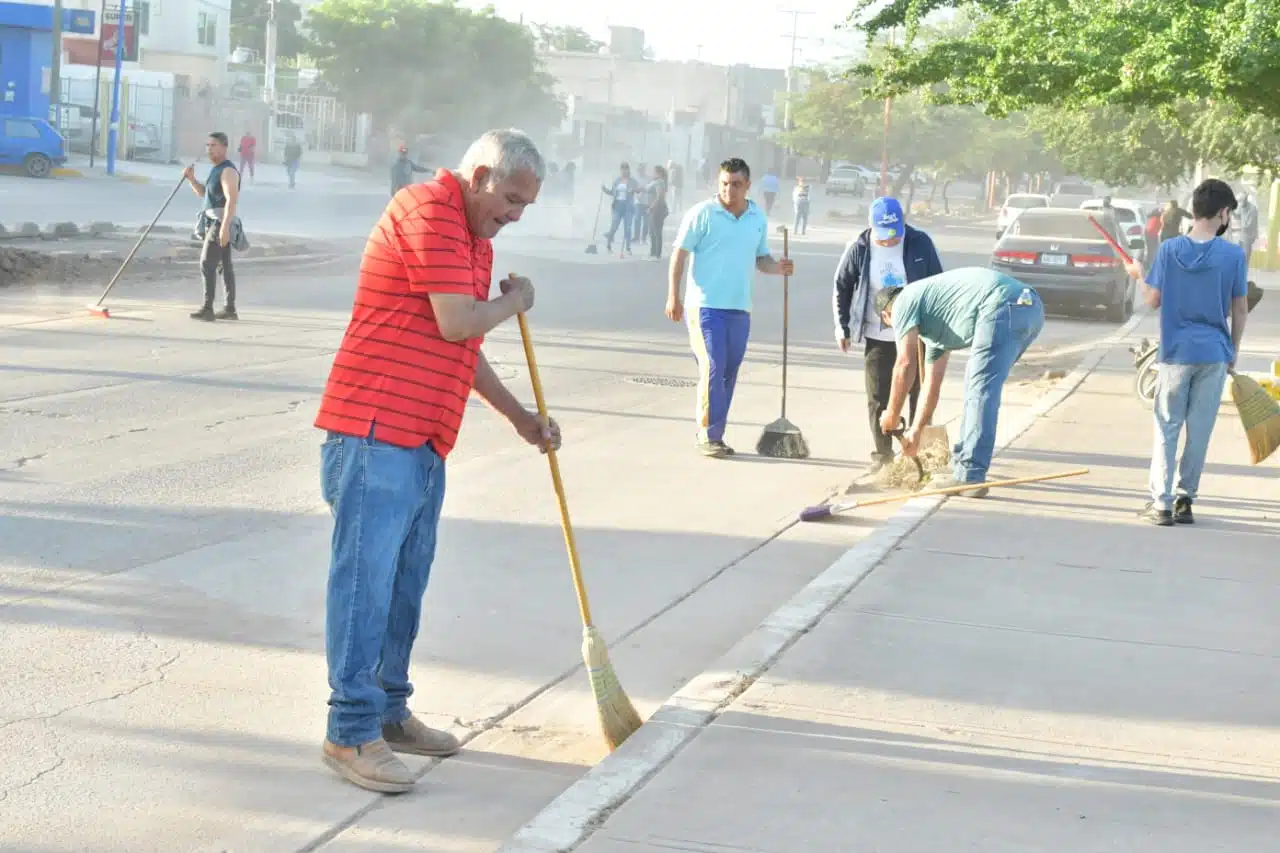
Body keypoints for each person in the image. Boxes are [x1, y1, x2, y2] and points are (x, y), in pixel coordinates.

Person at [312, 128, 561, 795]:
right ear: (480, 175)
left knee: (403, 586)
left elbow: (462, 347)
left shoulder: (474, 239)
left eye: (525, 205)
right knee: (366, 586)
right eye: (511, 198)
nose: (515, 214)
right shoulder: (429, 210)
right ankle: (349, 729)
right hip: (374, 432)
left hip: (423, 438)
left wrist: (520, 417)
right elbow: (459, 320)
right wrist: (517, 301)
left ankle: (388, 712)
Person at [1121, 178, 1249, 526]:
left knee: (1167, 427)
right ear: (1223, 212)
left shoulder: (1169, 250)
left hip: (1177, 352)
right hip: (1214, 353)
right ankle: (1185, 500)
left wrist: (1138, 275)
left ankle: (1160, 503)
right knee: (1200, 429)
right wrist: (1232, 352)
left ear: (1193, 210)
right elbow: (1239, 309)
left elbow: (1152, 300)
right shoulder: (1233, 255)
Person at [665, 157, 795, 457]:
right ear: (718, 182)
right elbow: (679, 255)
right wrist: (674, 295)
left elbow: (761, 259)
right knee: (713, 367)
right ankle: (707, 434)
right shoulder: (701, 214)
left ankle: (716, 434)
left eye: (736, 184)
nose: (729, 190)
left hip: (739, 308)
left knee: (729, 373)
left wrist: (779, 268)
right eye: (724, 183)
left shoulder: (757, 219)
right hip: (705, 307)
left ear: (748, 185)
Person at [875, 267, 1045, 493]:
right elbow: (930, 388)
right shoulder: (934, 327)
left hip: (1003, 304)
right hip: (1029, 307)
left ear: (887, 316)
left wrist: (891, 414)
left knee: (980, 388)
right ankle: (964, 468)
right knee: (981, 386)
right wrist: (916, 430)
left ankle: (970, 474)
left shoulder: (903, 301)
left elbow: (904, 364)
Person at [833, 197, 944, 472]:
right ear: (871, 227)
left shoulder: (920, 243)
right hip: (877, 333)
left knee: (919, 392)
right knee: (878, 397)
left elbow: (938, 283)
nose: (889, 242)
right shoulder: (859, 247)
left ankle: (921, 451)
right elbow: (842, 286)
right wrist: (842, 326)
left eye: (895, 235)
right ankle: (883, 455)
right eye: (883, 237)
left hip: (917, 333)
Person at [182, 132, 242, 321]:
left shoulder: (227, 171)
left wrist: (224, 228)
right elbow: (204, 195)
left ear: (224, 147)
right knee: (224, 265)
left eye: (213, 145)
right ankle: (230, 309)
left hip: (220, 222)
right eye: (207, 145)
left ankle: (208, 308)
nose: (209, 149)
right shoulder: (215, 170)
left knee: (207, 263)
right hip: (213, 221)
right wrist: (191, 179)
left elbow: (231, 199)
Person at [602, 162, 638, 255]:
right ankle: (608, 245)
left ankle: (628, 248)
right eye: (622, 169)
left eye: (626, 169)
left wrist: (633, 190)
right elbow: (612, 192)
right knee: (614, 226)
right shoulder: (617, 180)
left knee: (628, 227)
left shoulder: (632, 181)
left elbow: (638, 190)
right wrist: (605, 190)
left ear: (628, 170)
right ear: (620, 170)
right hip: (617, 205)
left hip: (628, 206)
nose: (624, 171)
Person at [647, 165, 670, 260]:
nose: (653, 174)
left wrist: (651, 208)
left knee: (656, 231)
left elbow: (659, 197)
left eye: (654, 172)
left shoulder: (660, 182)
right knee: (652, 231)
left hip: (658, 209)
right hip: (656, 208)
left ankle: (657, 254)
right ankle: (653, 253)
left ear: (659, 173)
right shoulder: (657, 182)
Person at [1238, 191, 1259, 262]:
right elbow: (1238, 216)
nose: (1240, 203)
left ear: (1246, 200)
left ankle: (1245, 269)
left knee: (1246, 255)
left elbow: (1248, 225)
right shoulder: (1241, 206)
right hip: (1242, 234)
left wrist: (1236, 228)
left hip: (1249, 235)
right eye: (1239, 201)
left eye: (1241, 201)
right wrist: (1232, 212)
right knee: (1240, 253)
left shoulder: (1252, 209)